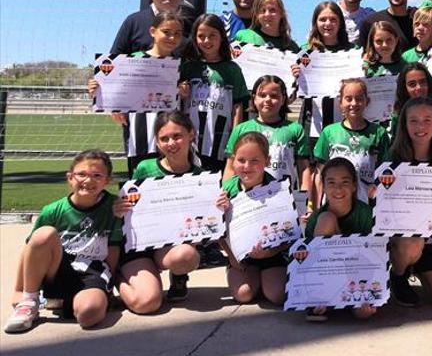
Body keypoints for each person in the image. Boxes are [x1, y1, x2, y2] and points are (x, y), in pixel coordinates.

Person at [115, 112, 223, 313]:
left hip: (170, 249)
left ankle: (179, 275)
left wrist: (219, 208)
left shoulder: (202, 178)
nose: (171, 143)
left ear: (192, 134)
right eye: (164, 138)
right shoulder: (144, 168)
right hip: (141, 247)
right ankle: (116, 276)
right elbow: (131, 208)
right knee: (148, 303)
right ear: (156, 141)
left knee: (187, 256)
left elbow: (209, 223)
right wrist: (120, 208)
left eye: (177, 136)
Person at [5, 150, 122, 333]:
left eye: (97, 175)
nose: (88, 180)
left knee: (89, 315)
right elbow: (31, 249)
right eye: (81, 174)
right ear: (70, 177)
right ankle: (30, 301)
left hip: (93, 272)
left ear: (107, 180)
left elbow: (114, 249)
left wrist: (109, 289)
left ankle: (65, 300)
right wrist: (19, 291)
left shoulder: (114, 207)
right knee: (44, 234)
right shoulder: (53, 210)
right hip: (59, 268)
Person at [91, 11, 188, 174]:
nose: (172, 38)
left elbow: (185, 97)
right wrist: (98, 90)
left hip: (170, 139)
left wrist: (184, 91)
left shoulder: (180, 65)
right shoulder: (130, 60)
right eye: (166, 32)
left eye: (177, 34)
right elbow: (112, 90)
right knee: (141, 183)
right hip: (139, 138)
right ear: (152, 31)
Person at [387, 97, 432, 307]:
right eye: (414, 121)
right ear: (404, 125)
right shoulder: (393, 159)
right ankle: (398, 274)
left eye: (427, 120)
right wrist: (378, 190)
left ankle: (420, 270)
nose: (421, 126)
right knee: (413, 241)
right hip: (404, 241)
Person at [304, 157, 377, 321]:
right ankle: (320, 298)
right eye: (331, 182)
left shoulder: (367, 214)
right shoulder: (316, 219)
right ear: (323, 186)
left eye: (344, 182)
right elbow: (309, 261)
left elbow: (375, 256)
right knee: (327, 219)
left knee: (363, 313)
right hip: (327, 277)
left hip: (357, 275)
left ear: (353, 186)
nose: (338, 188)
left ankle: (349, 301)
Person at [219, 132, 288, 305]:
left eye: (255, 160)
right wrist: (231, 257)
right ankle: (252, 278)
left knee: (277, 295)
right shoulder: (226, 190)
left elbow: (289, 232)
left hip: (272, 253)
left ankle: (266, 279)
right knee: (244, 295)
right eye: (241, 160)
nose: (247, 166)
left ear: (267, 160)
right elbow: (218, 232)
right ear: (233, 160)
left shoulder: (278, 189)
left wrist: (271, 252)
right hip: (240, 256)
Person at [224, 76, 312, 202]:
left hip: (284, 202)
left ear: (283, 99)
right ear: (254, 98)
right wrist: (227, 193)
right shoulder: (241, 129)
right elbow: (230, 167)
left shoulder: (295, 129)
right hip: (244, 201)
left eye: (274, 96)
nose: (268, 100)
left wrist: (305, 201)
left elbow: (304, 169)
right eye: (262, 95)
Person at [180, 13, 248, 171]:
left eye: (212, 36)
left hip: (220, 140)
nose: (207, 41)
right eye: (201, 36)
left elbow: (238, 105)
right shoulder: (187, 68)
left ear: (222, 38)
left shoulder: (232, 69)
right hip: (191, 140)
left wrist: (235, 135)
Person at [313, 79, 390, 205]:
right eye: (348, 99)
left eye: (359, 99)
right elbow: (319, 173)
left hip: (366, 205)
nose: (354, 103)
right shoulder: (329, 132)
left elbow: (385, 172)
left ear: (367, 101)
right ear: (340, 103)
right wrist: (314, 208)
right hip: (334, 205)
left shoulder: (379, 133)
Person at [298, 1, 354, 138]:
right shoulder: (305, 51)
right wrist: (296, 77)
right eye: (322, 19)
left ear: (340, 23)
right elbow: (296, 92)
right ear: (315, 23)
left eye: (333, 19)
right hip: (311, 123)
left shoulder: (352, 52)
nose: (328, 23)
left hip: (343, 123)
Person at [234, 0, 301, 52]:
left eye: (272, 10)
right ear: (257, 15)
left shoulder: (292, 47)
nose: (267, 14)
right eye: (263, 10)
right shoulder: (243, 36)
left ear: (281, 13)